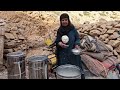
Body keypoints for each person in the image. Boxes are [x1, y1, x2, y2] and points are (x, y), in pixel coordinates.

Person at [55, 13, 85, 79]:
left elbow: (77, 38)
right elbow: (57, 41)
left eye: (66, 20)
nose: (64, 21)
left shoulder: (72, 29)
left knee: (75, 70)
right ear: (60, 21)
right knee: (65, 72)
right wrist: (60, 44)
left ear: (68, 20)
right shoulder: (60, 30)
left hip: (72, 53)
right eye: (63, 20)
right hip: (63, 54)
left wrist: (77, 44)